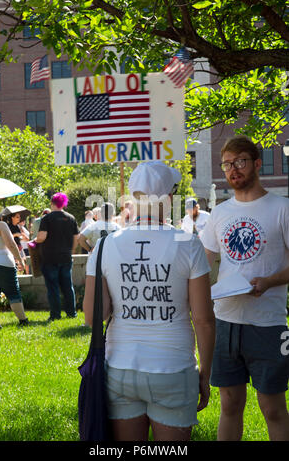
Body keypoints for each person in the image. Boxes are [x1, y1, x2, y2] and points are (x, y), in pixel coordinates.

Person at [83, 161, 215, 442]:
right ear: (168, 199)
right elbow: (203, 319)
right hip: (173, 367)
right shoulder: (188, 243)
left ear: (132, 198)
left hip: (121, 368)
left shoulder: (105, 246)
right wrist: (206, 373)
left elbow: (95, 316)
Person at [201, 135, 289, 441]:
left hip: (268, 323)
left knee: (273, 408)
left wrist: (269, 282)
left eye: (239, 161)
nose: (232, 169)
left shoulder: (282, 208)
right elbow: (203, 262)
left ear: (256, 164)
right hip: (225, 320)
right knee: (230, 404)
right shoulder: (220, 213)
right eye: (227, 164)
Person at [33, 193, 78, 321]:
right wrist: (72, 251)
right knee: (68, 287)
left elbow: (42, 237)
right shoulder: (71, 218)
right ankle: (71, 313)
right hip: (66, 257)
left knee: (53, 288)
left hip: (50, 258)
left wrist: (35, 240)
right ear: (64, 204)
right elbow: (76, 237)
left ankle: (55, 315)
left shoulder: (47, 218)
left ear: (52, 203)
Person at [0, 201, 28, 327]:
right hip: (4, 264)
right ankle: (23, 321)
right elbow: (11, 244)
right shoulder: (1, 225)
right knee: (13, 293)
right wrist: (20, 260)